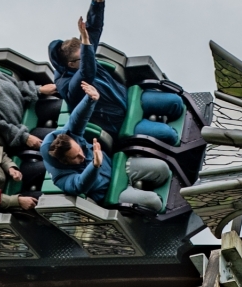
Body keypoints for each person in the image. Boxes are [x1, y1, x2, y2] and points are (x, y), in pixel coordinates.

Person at [48, 0, 185, 142]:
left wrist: (98, 3)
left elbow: (93, 29)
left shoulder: (84, 53)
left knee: (176, 102)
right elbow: (87, 72)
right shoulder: (66, 85)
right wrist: (85, 43)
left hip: (126, 97)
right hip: (116, 122)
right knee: (169, 135)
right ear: (71, 64)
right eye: (84, 56)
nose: (88, 56)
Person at [41, 82, 170, 211]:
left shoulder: (69, 135)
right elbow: (79, 185)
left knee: (162, 168)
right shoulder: (60, 177)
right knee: (155, 202)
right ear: (65, 161)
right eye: (75, 157)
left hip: (118, 167)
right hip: (111, 191)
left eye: (79, 150)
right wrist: (94, 165)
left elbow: (77, 118)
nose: (82, 155)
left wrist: (90, 99)